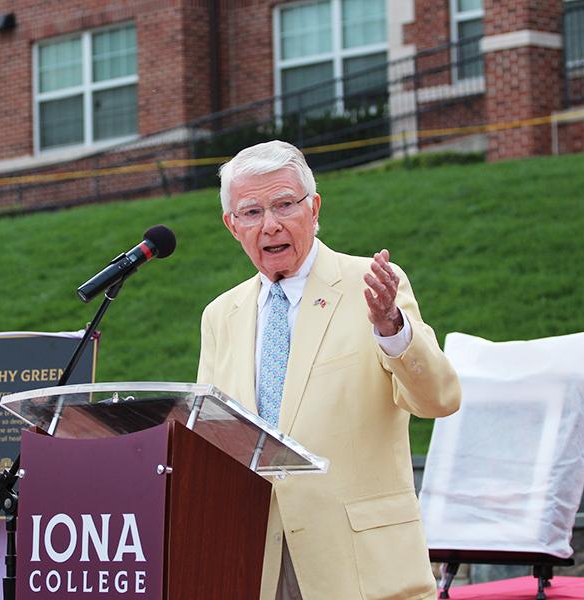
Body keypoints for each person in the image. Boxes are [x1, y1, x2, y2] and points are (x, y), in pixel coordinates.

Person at [197, 140, 461, 599]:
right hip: (256, 562)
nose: (271, 224)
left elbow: (439, 398)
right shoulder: (221, 315)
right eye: (252, 212)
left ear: (314, 208)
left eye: (284, 205)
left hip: (360, 568)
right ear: (232, 225)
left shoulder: (371, 286)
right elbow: (210, 436)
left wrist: (392, 330)